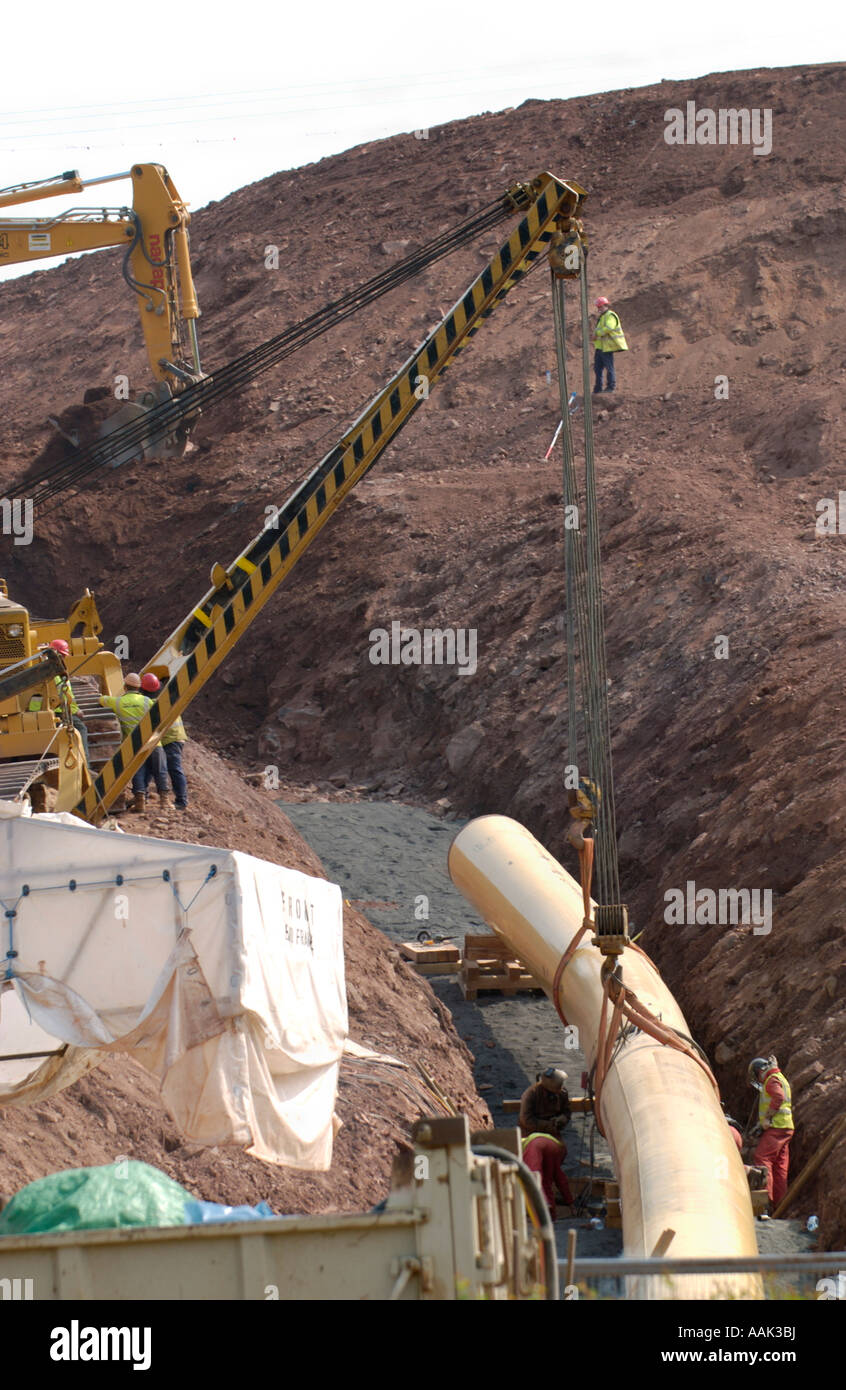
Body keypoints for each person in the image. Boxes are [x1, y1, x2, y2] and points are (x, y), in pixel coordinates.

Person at [99, 673, 170, 811]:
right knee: (160, 771)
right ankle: (165, 802)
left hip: (134, 745)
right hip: (154, 742)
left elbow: (102, 699)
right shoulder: (147, 702)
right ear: (139, 687)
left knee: (137, 771)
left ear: (125, 687)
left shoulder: (117, 702)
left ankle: (140, 802)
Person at [27, 638, 90, 767]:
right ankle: (86, 765)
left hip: (46, 713)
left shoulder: (42, 669)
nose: (64, 659)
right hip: (60, 713)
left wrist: (33, 713)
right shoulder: (57, 675)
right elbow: (65, 697)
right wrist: (76, 711)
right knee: (81, 730)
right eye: (63, 656)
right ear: (57, 654)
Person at [748, 1055, 794, 1209]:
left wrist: (767, 1118)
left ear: (761, 1071)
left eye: (757, 1076)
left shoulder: (771, 1080)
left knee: (762, 1158)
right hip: (786, 1127)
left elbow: (778, 1097)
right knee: (780, 1166)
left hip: (777, 1127)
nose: (759, 1080)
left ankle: (765, 1203)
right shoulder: (779, 1077)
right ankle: (781, 1205)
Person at [140, 674, 189, 810]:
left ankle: (181, 801)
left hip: (171, 739)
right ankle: (142, 795)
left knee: (174, 768)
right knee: (152, 767)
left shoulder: (154, 704)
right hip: (172, 737)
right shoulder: (164, 700)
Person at [522, 1132, 574, 1220]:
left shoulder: (519, 1145)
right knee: (546, 1181)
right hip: (555, 1146)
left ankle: (544, 1206)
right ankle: (552, 1217)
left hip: (536, 1144)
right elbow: (560, 1179)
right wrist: (570, 1202)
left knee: (533, 1176)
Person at [519, 1067, 571, 1140]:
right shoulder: (531, 1094)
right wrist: (549, 1124)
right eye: (558, 1086)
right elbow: (526, 1120)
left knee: (560, 1150)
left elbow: (567, 1110)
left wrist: (564, 1117)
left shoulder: (562, 1093)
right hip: (531, 1133)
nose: (561, 1088)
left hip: (553, 1132)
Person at [593, 296, 628, 394]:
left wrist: (597, 333)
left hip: (607, 347)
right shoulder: (602, 317)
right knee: (597, 369)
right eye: (598, 307)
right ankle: (597, 389)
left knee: (609, 367)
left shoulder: (610, 315)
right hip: (600, 347)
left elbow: (609, 328)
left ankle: (610, 387)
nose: (599, 309)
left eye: (600, 307)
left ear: (605, 305)